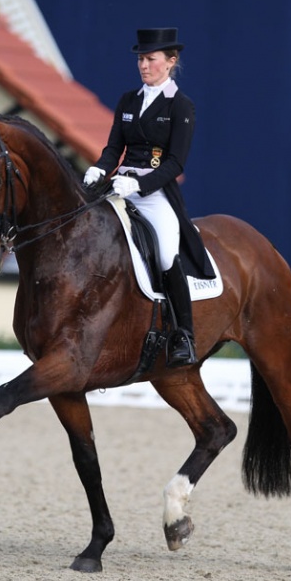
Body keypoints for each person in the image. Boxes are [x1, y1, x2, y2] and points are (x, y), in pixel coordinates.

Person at [84, 27, 215, 367]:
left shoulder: (180, 106)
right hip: (119, 186)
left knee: (166, 253)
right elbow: (114, 148)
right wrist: (100, 168)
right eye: (141, 59)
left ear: (170, 62)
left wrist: (140, 186)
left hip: (155, 194)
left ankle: (184, 335)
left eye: (151, 59)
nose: (144, 65)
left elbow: (176, 163)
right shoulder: (128, 100)